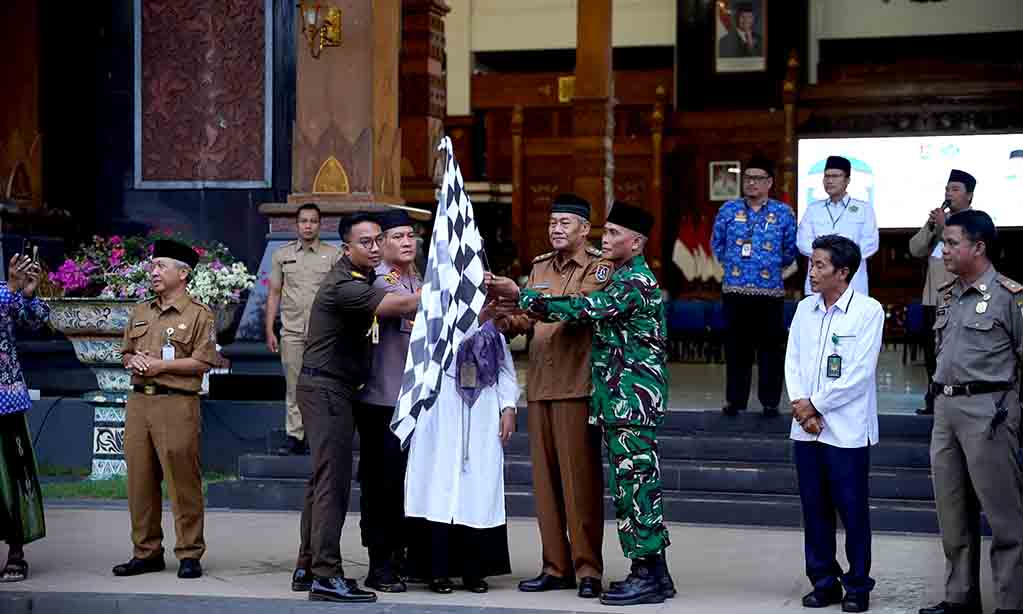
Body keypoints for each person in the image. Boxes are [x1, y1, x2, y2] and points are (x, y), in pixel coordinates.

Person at [487, 201, 675, 607]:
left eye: (614, 233)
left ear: (636, 243)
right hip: (618, 401)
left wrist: (520, 295)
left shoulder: (633, 281)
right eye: (606, 232)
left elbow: (583, 308)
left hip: (632, 400)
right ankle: (652, 573)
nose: (606, 239)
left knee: (638, 489)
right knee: (632, 488)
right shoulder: (622, 275)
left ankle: (649, 574)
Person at [289, 213, 419, 603]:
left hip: (336, 388)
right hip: (328, 389)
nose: (376, 247)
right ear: (346, 248)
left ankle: (308, 565)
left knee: (321, 481)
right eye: (367, 242)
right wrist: (448, 289)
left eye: (379, 239)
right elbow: (400, 303)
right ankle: (326, 575)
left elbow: (399, 291)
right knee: (333, 483)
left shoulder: (363, 276)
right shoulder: (346, 284)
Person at [502, 194, 608, 599]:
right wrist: (501, 320)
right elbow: (528, 317)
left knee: (579, 483)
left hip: (576, 387)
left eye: (565, 223)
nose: (556, 229)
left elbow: (577, 310)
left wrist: (523, 297)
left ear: (585, 229)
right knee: (545, 486)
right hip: (541, 387)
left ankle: (587, 569)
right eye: (552, 223)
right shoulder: (540, 266)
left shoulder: (598, 267)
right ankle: (555, 566)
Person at [918, 210, 1023, 614]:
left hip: (989, 411)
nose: (943, 250)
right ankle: (959, 597)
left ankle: (1011, 602)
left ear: (978, 247)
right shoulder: (947, 295)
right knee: (952, 511)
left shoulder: (1010, 296)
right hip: (946, 410)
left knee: (1003, 515)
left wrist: (1013, 411)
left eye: (951, 243)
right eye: (943, 243)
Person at [785, 235, 883, 613]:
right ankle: (823, 581)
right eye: (811, 264)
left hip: (847, 430)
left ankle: (857, 585)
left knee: (852, 510)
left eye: (820, 265)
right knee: (815, 509)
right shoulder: (804, 309)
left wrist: (816, 405)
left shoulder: (868, 311)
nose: (811, 272)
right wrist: (803, 408)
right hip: (806, 428)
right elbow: (793, 362)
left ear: (843, 272)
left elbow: (859, 374)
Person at [113, 240, 218, 580]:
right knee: (139, 481)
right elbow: (125, 352)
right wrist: (134, 360)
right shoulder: (141, 311)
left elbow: (204, 361)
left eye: (161, 265)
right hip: (138, 402)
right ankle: (146, 552)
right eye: (153, 265)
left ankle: (189, 553)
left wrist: (161, 366)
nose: (153, 271)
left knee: (182, 480)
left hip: (177, 403)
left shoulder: (199, 314)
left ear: (183, 274)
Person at [402, 313, 518, 594]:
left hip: (482, 411)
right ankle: (436, 571)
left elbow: (505, 370)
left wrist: (508, 407)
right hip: (441, 409)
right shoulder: (435, 316)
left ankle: (473, 571)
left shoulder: (492, 328)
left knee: (477, 488)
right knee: (437, 486)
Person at [355, 209, 422, 593]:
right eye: (398, 236)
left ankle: (400, 556)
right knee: (381, 485)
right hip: (382, 399)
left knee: (406, 484)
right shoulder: (380, 278)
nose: (407, 242)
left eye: (411, 235)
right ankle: (379, 563)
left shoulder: (416, 277)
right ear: (381, 244)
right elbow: (399, 304)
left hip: (415, 399)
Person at [711, 156, 798, 417]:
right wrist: (734, 266)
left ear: (769, 182)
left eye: (757, 178)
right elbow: (717, 244)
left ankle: (770, 402)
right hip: (735, 290)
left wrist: (769, 267)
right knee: (737, 349)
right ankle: (735, 401)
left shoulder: (783, 213)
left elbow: (790, 250)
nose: (751, 183)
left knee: (771, 349)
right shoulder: (728, 210)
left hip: (770, 291)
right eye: (748, 178)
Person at [265, 203, 340, 455]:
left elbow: (340, 294)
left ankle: (319, 436)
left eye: (313, 221)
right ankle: (295, 437)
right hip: (292, 332)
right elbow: (274, 293)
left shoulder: (333, 255)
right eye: (303, 221)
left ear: (320, 225)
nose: (308, 226)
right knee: (294, 386)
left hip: (324, 334)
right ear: (296, 225)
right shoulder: (282, 255)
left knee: (323, 385)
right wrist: (269, 329)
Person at [908, 170, 976, 416]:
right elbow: (915, 248)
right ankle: (933, 398)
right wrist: (930, 226)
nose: (949, 194)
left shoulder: (975, 221)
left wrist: (944, 226)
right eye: (947, 189)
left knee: (956, 352)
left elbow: (966, 250)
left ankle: (955, 401)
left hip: (960, 297)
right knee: (932, 352)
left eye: (955, 189)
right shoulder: (938, 222)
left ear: (969, 195)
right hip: (932, 297)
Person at [0, 254, 48, 583]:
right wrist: (11, 290)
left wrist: (28, 294)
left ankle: (16, 551)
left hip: (6, 400)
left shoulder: (6, 289)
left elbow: (35, 320)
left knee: (14, 477)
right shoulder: (5, 290)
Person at [796, 156, 879, 297]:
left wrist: (839, 260)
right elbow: (802, 242)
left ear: (847, 180)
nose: (829, 180)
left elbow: (870, 244)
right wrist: (827, 259)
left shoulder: (864, 209)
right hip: (818, 284)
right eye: (826, 176)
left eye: (835, 176)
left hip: (853, 284)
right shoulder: (813, 209)